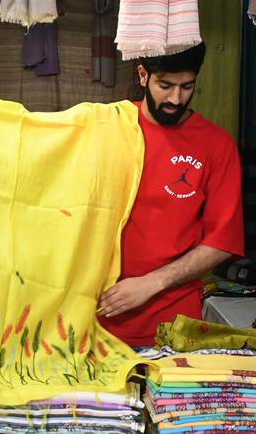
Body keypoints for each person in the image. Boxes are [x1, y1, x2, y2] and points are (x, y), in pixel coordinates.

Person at [97, 41, 244, 347]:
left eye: (186, 87)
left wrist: (151, 283)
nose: (176, 99)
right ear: (142, 75)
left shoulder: (216, 145)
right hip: (96, 322)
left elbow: (221, 242)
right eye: (165, 85)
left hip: (173, 327)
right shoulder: (108, 128)